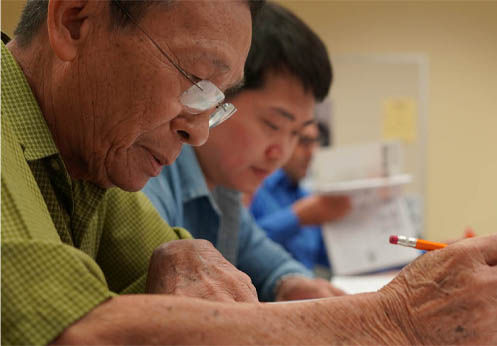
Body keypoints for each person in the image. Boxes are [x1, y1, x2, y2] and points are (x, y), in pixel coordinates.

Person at [3, 0, 497, 345]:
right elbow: (75, 334)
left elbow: (181, 276)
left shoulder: (94, 157)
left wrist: (186, 249)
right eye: (196, 82)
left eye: (217, 101)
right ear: (75, 21)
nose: (199, 133)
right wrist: (401, 321)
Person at [144, 1, 347, 302]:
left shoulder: (224, 190)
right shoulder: (151, 172)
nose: (281, 152)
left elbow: (270, 265)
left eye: (297, 133)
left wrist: (292, 283)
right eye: (273, 124)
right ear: (217, 91)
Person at [249, 122, 351, 272]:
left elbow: (327, 257)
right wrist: (298, 217)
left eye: (315, 143)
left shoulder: (306, 196)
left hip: (306, 290)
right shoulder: (253, 188)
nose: (312, 153)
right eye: (304, 142)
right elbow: (242, 245)